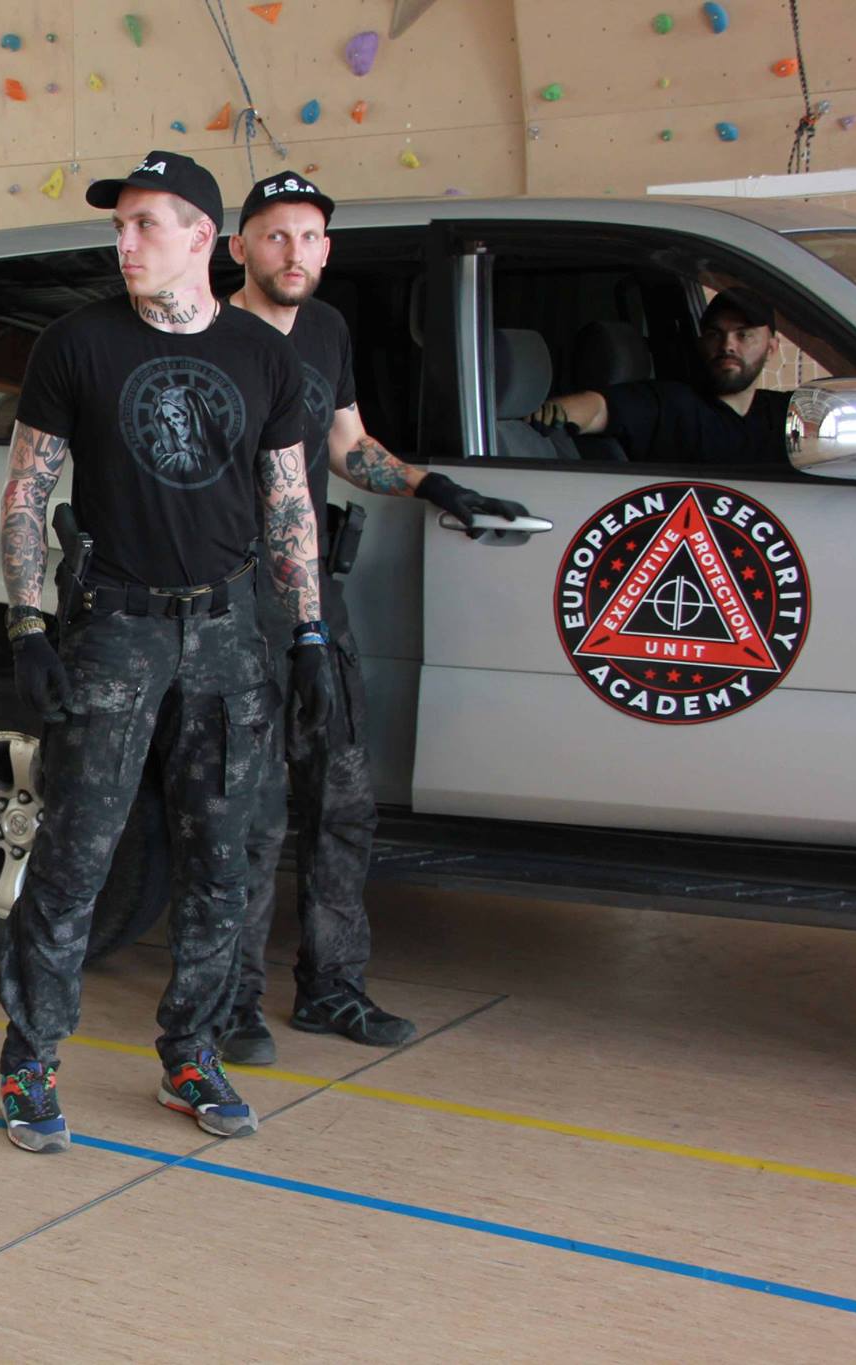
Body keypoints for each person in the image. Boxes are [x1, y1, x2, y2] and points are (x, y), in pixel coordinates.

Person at [0, 150, 329, 1154]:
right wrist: (25, 623)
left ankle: (191, 1051)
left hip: (226, 633)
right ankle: (30, 1058)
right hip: (115, 629)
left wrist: (309, 633)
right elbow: (27, 490)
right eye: (119, 226)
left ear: (202, 239)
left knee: (221, 857)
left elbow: (287, 503)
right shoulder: (77, 344)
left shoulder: (261, 357)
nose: (125, 243)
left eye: (146, 224)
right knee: (75, 852)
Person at [221, 171, 531, 1064]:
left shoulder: (325, 329)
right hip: (231, 602)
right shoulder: (209, 336)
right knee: (249, 811)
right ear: (238, 248)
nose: (294, 252)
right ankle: (230, 1003)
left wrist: (433, 485)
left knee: (343, 795)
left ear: (327, 249)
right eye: (275, 235)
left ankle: (331, 986)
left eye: (310, 236)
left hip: (315, 594)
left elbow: (349, 447)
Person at [535, 287, 791, 464]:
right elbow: (598, 408)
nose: (727, 346)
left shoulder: (787, 415)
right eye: (715, 334)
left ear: (771, 348)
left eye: (743, 334)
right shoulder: (670, 403)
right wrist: (553, 413)